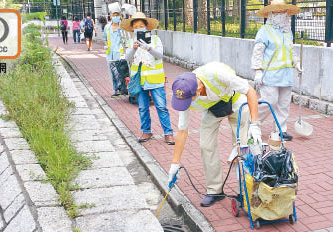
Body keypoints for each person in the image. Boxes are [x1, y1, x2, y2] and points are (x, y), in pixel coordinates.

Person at [168, 62, 262, 207]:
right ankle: (215, 191)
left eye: (189, 100)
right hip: (213, 109)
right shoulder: (185, 93)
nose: (185, 105)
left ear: (198, 89)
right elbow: (182, 130)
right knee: (206, 145)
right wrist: (175, 163)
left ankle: (243, 191)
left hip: (236, 103)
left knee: (241, 149)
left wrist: (254, 124)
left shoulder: (217, 74)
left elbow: (250, 91)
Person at [251, 0, 302, 141]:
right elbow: (258, 52)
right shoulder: (265, 31)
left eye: (282, 12)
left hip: (286, 75)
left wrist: (296, 63)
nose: (280, 15)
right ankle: (253, 122)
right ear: (271, 14)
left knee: (283, 104)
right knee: (270, 101)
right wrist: (257, 71)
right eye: (277, 12)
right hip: (269, 75)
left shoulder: (287, 32)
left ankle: (280, 130)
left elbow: (290, 50)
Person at [121, 12, 175, 145]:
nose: (139, 28)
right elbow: (126, 58)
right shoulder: (130, 42)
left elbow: (160, 55)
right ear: (133, 29)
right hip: (139, 80)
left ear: (146, 27)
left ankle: (168, 133)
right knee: (142, 107)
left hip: (155, 80)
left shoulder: (155, 39)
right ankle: (146, 131)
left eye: (141, 25)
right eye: (136, 26)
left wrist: (149, 48)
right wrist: (133, 49)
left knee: (161, 107)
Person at [104, 3, 124, 97]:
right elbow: (105, 39)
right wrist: (106, 46)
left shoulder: (122, 27)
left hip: (119, 53)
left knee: (119, 71)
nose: (115, 17)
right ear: (110, 16)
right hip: (110, 53)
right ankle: (115, 89)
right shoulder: (107, 27)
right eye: (113, 15)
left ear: (120, 16)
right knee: (112, 72)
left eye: (117, 15)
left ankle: (121, 88)